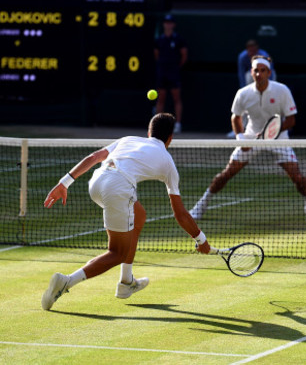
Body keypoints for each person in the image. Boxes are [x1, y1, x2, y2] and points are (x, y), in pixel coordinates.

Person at [41, 113, 211, 311]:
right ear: (170, 139)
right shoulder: (168, 162)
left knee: (139, 215)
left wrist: (64, 183)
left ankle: (126, 282)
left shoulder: (128, 139)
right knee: (117, 253)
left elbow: (94, 157)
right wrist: (201, 239)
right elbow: (180, 214)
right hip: (118, 188)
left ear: (149, 132)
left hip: (96, 182)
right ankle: (66, 281)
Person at [189, 55, 306, 224]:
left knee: (298, 178)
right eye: (256, 70)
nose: (259, 74)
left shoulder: (282, 90)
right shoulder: (243, 93)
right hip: (250, 136)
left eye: (262, 70)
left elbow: (291, 120)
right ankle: (200, 206)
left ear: (269, 73)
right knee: (225, 175)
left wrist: (270, 134)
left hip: (279, 139)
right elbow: (235, 118)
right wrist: (241, 138)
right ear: (251, 72)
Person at [154, 14, 188, 134]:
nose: (168, 24)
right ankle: (157, 126)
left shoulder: (178, 40)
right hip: (162, 73)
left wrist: (175, 67)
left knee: (176, 99)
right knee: (160, 99)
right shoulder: (159, 40)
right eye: (166, 22)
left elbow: (184, 55)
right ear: (164, 24)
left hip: (174, 73)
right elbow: (156, 55)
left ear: (173, 25)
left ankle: (178, 124)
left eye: (170, 22)